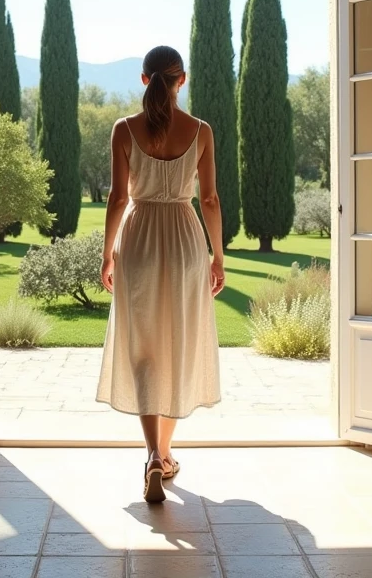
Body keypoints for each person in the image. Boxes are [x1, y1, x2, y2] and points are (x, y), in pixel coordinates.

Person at [96, 45, 225, 504]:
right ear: (181, 80)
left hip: (138, 241)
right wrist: (218, 256)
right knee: (179, 342)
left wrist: (107, 254)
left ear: (144, 79)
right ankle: (166, 454)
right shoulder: (201, 130)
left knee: (144, 345)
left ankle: (153, 453)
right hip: (186, 240)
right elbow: (209, 200)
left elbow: (117, 198)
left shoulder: (123, 129)